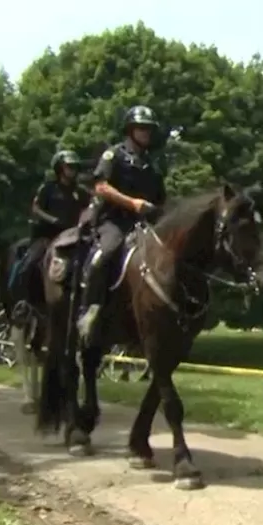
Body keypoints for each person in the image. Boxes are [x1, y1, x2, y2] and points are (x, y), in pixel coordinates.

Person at [76, 105, 166, 345]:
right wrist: (132, 203)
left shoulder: (152, 165)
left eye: (149, 129)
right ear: (130, 129)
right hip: (113, 221)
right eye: (141, 128)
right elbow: (101, 187)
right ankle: (89, 309)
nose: (146, 133)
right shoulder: (113, 155)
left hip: (143, 225)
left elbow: (161, 200)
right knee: (104, 254)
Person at [14, 150, 90, 321]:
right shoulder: (48, 188)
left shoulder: (82, 192)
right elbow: (36, 208)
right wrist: (52, 219)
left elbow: (88, 209)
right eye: (68, 167)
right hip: (48, 236)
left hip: (73, 237)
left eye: (74, 167)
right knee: (29, 263)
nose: (72, 170)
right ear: (59, 168)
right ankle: (23, 304)